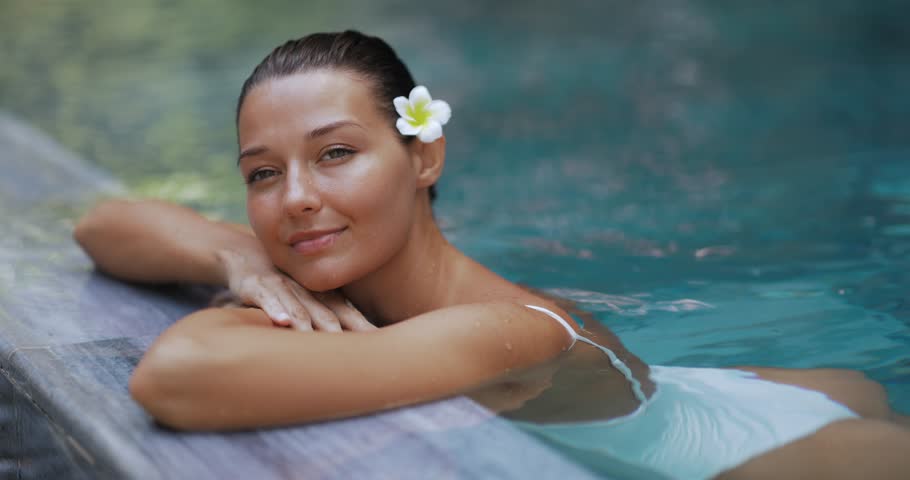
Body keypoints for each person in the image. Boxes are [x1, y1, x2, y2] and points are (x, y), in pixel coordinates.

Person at [73, 30, 910, 479]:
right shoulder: (315, 245)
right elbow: (104, 223)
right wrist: (238, 260)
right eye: (263, 173)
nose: (292, 196)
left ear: (424, 158)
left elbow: (175, 378)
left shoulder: (501, 333)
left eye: (335, 154)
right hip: (701, 395)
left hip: (763, 459)